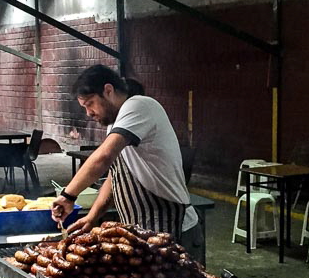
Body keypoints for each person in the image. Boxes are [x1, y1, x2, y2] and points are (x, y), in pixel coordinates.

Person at [51, 65, 201, 252]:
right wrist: (93, 216)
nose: (88, 113)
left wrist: (67, 196)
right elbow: (117, 175)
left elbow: (104, 157)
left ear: (108, 90)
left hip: (173, 227)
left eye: (90, 103)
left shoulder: (139, 105)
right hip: (141, 234)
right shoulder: (117, 123)